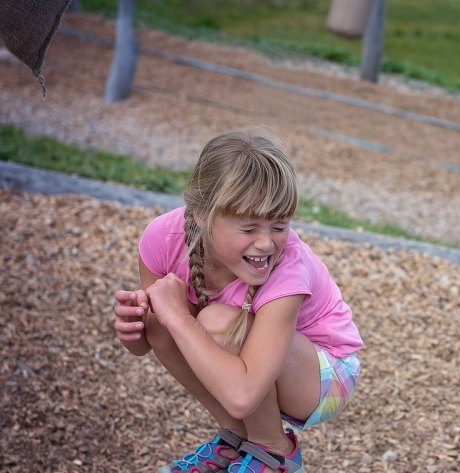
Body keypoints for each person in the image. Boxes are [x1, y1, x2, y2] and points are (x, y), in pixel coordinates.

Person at [113, 128, 363, 473]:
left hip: (323, 376)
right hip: (253, 374)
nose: (265, 244)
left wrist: (180, 318)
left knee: (215, 323)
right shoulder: (162, 238)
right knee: (160, 318)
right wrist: (132, 329)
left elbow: (242, 396)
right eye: (249, 229)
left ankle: (275, 452)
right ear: (202, 214)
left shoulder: (288, 267)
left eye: (279, 226)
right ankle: (234, 439)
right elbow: (147, 344)